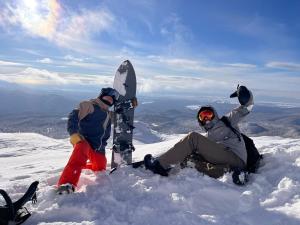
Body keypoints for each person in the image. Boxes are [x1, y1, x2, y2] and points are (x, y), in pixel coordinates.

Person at [144, 85, 254, 179]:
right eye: (203, 117)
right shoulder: (208, 137)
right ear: (200, 121)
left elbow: (248, 106)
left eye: (208, 114)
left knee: (193, 138)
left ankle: (160, 165)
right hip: (229, 163)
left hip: (236, 158)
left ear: (214, 114)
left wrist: (243, 93)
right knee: (190, 158)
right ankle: (228, 172)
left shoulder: (227, 120)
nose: (206, 119)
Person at [56, 87, 120, 194]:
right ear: (101, 96)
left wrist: (130, 105)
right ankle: (66, 184)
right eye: (107, 97)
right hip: (83, 141)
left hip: (97, 147)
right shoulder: (89, 105)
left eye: (111, 100)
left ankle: (79, 166)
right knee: (80, 154)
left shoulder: (108, 114)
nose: (109, 101)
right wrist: (73, 133)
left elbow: (119, 116)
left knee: (100, 169)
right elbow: (73, 116)